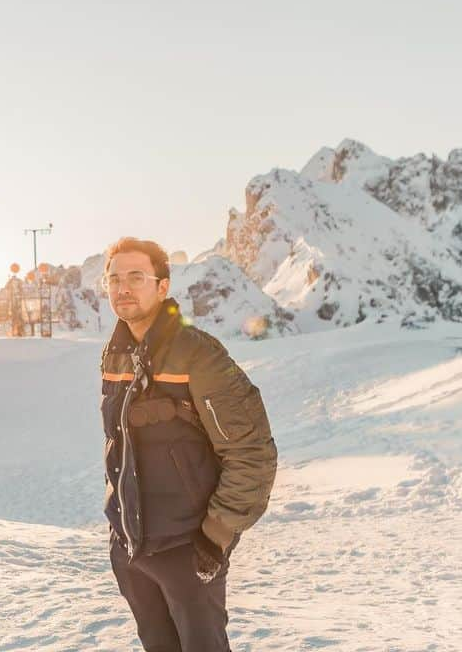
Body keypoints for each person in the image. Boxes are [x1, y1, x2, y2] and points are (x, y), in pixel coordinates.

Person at [100, 236, 278, 651]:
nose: (122, 287)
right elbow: (120, 446)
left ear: (162, 287)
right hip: (132, 548)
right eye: (113, 279)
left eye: (136, 277)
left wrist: (213, 537)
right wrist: (119, 528)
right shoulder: (116, 355)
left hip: (187, 547)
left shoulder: (197, 355)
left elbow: (251, 453)